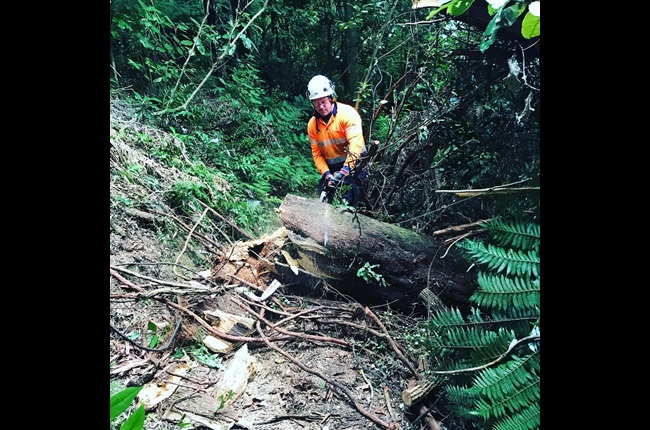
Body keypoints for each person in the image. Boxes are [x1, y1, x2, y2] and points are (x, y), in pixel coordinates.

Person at [306, 75, 368, 206]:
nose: (321, 107)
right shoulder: (313, 125)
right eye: (316, 104)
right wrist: (327, 175)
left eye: (323, 102)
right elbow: (317, 154)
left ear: (331, 98)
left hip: (356, 164)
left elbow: (355, 147)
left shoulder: (348, 114)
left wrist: (344, 172)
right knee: (324, 194)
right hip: (333, 168)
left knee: (351, 197)